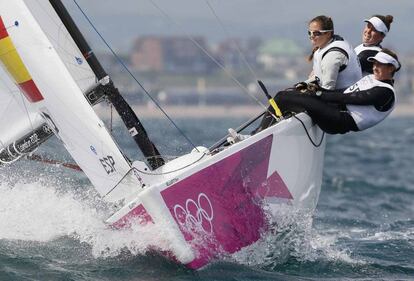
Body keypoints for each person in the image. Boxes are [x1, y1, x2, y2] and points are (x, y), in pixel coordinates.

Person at [260, 48, 400, 135]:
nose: (375, 67)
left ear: (391, 68)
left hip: (341, 120)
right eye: (374, 63)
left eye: (380, 64)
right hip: (334, 110)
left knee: (282, 97)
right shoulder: (371, 78)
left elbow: (351, 98)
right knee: (290, 94)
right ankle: (266, 132)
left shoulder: (386, 93)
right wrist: (316, 89)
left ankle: (258, 134)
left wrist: (318, 94)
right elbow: (344, 92)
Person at [296, 15, 362, 91]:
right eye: (309, 33)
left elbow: (328, 89)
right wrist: (304, 84)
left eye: (316, 33)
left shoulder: (332, 55)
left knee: (283, 97)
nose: (311, 36)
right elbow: (320, 76)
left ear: (328, 34)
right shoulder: (333, 43)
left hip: (343, 99)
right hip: (336, 95)